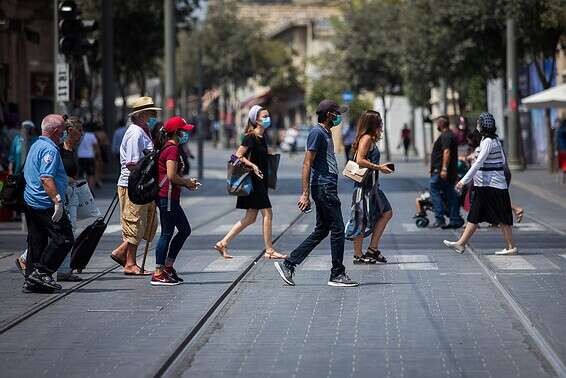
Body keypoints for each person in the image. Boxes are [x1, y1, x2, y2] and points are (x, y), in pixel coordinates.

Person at [274, 99, 358, 287]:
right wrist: (305, 193)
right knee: (337, 229)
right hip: (323, 187)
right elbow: (307, 163)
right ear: (328, 115)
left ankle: (289, 263)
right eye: (336, 114)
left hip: (326, 186)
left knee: (322, 230)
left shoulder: (326, 133)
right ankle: (337, 273)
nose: (338, 117)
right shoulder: (317, 132)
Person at [16, 116, 86, 282]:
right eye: (62, 132)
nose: (63, 135)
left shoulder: (35, 145)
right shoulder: (50, 150)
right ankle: (42, 273)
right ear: (56, 132)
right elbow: (46, 178)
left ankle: (31, 279)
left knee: (37, 241)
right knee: (65, 238)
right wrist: (57, 202)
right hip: (45, 203)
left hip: (31, 201)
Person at [215, 105, 287, 260]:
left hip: (260, 181)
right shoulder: (250, 136)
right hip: (252, 181)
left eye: (268, 116)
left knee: (251, 217)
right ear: (256, 120)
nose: (268, 119)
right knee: (267, 212)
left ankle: (223, 243)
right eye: (264, 116)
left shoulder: (262, 138)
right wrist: (253, 166)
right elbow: (236, 156)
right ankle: (269, 250)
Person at [443, 112, 518, 256]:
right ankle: (461, 243)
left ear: (483, 126)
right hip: (487, 186)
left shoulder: (488, 142)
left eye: (479, 123)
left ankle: (510, 247)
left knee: (501, 217)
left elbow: (478, 163)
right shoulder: (493, 140)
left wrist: (463, 181)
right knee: (475, 215)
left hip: (493, 186)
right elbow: (502, 160)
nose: (477, 125)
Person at [110, 96, 160, 275]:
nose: (154, 115)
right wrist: (146, 178)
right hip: (134, 185)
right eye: (151, 112)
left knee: (147, 224)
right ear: (142, 114)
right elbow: (132, 164)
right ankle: (130, 263)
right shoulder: (135, 133)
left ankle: (122, 252)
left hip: (144, 185)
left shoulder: (144, 130)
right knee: (135, 222)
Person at [151, 116, 200, 286]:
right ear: (177, 132)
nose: (186, 134)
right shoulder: (172, 149)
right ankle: (158, 272)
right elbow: (171, 176)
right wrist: (187, 182)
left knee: (184, 229)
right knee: (167, 233)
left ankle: (168, 267)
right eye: (184, 131)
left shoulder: (170, 146)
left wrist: (186, 184)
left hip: (170, 197)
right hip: (167, 196)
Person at [345, 110, 393, 264]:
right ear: (372, 123)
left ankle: (372, 249)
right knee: (360, 219)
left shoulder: (370, 139)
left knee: (386, 213)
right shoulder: (366, 139)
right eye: (379, 121)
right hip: (363, 188)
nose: (381, 124)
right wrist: (379, 167)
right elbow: (360, 160)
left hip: (372, 188)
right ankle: (358, 255)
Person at [429, 115, 464, 229]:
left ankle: (440, 218)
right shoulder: (450, 135)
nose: (437, 125)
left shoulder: (446, 136)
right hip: (448, 172)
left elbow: (447, 152)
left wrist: (443, 168)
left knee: (434, 191)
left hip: (441, 171)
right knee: (451, 194)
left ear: (441, 124)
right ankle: (454, 218)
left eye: (438, 123)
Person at [77, 122, 99, 191]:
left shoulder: (80, 135)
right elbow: (96, 146)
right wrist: (97, 155)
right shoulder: (92, 135)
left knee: (80, 174)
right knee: (91, 174)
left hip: (80, 156)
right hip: (90, 156)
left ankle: (80, 189)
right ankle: (90, 190)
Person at [94, 123, 111, 188]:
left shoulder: (94, 134)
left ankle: (96, 179)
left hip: (94, 151)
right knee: (100, 167)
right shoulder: (103, 134)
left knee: (95, 167)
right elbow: (107, 143)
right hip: (101, 150)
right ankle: (99, 180)